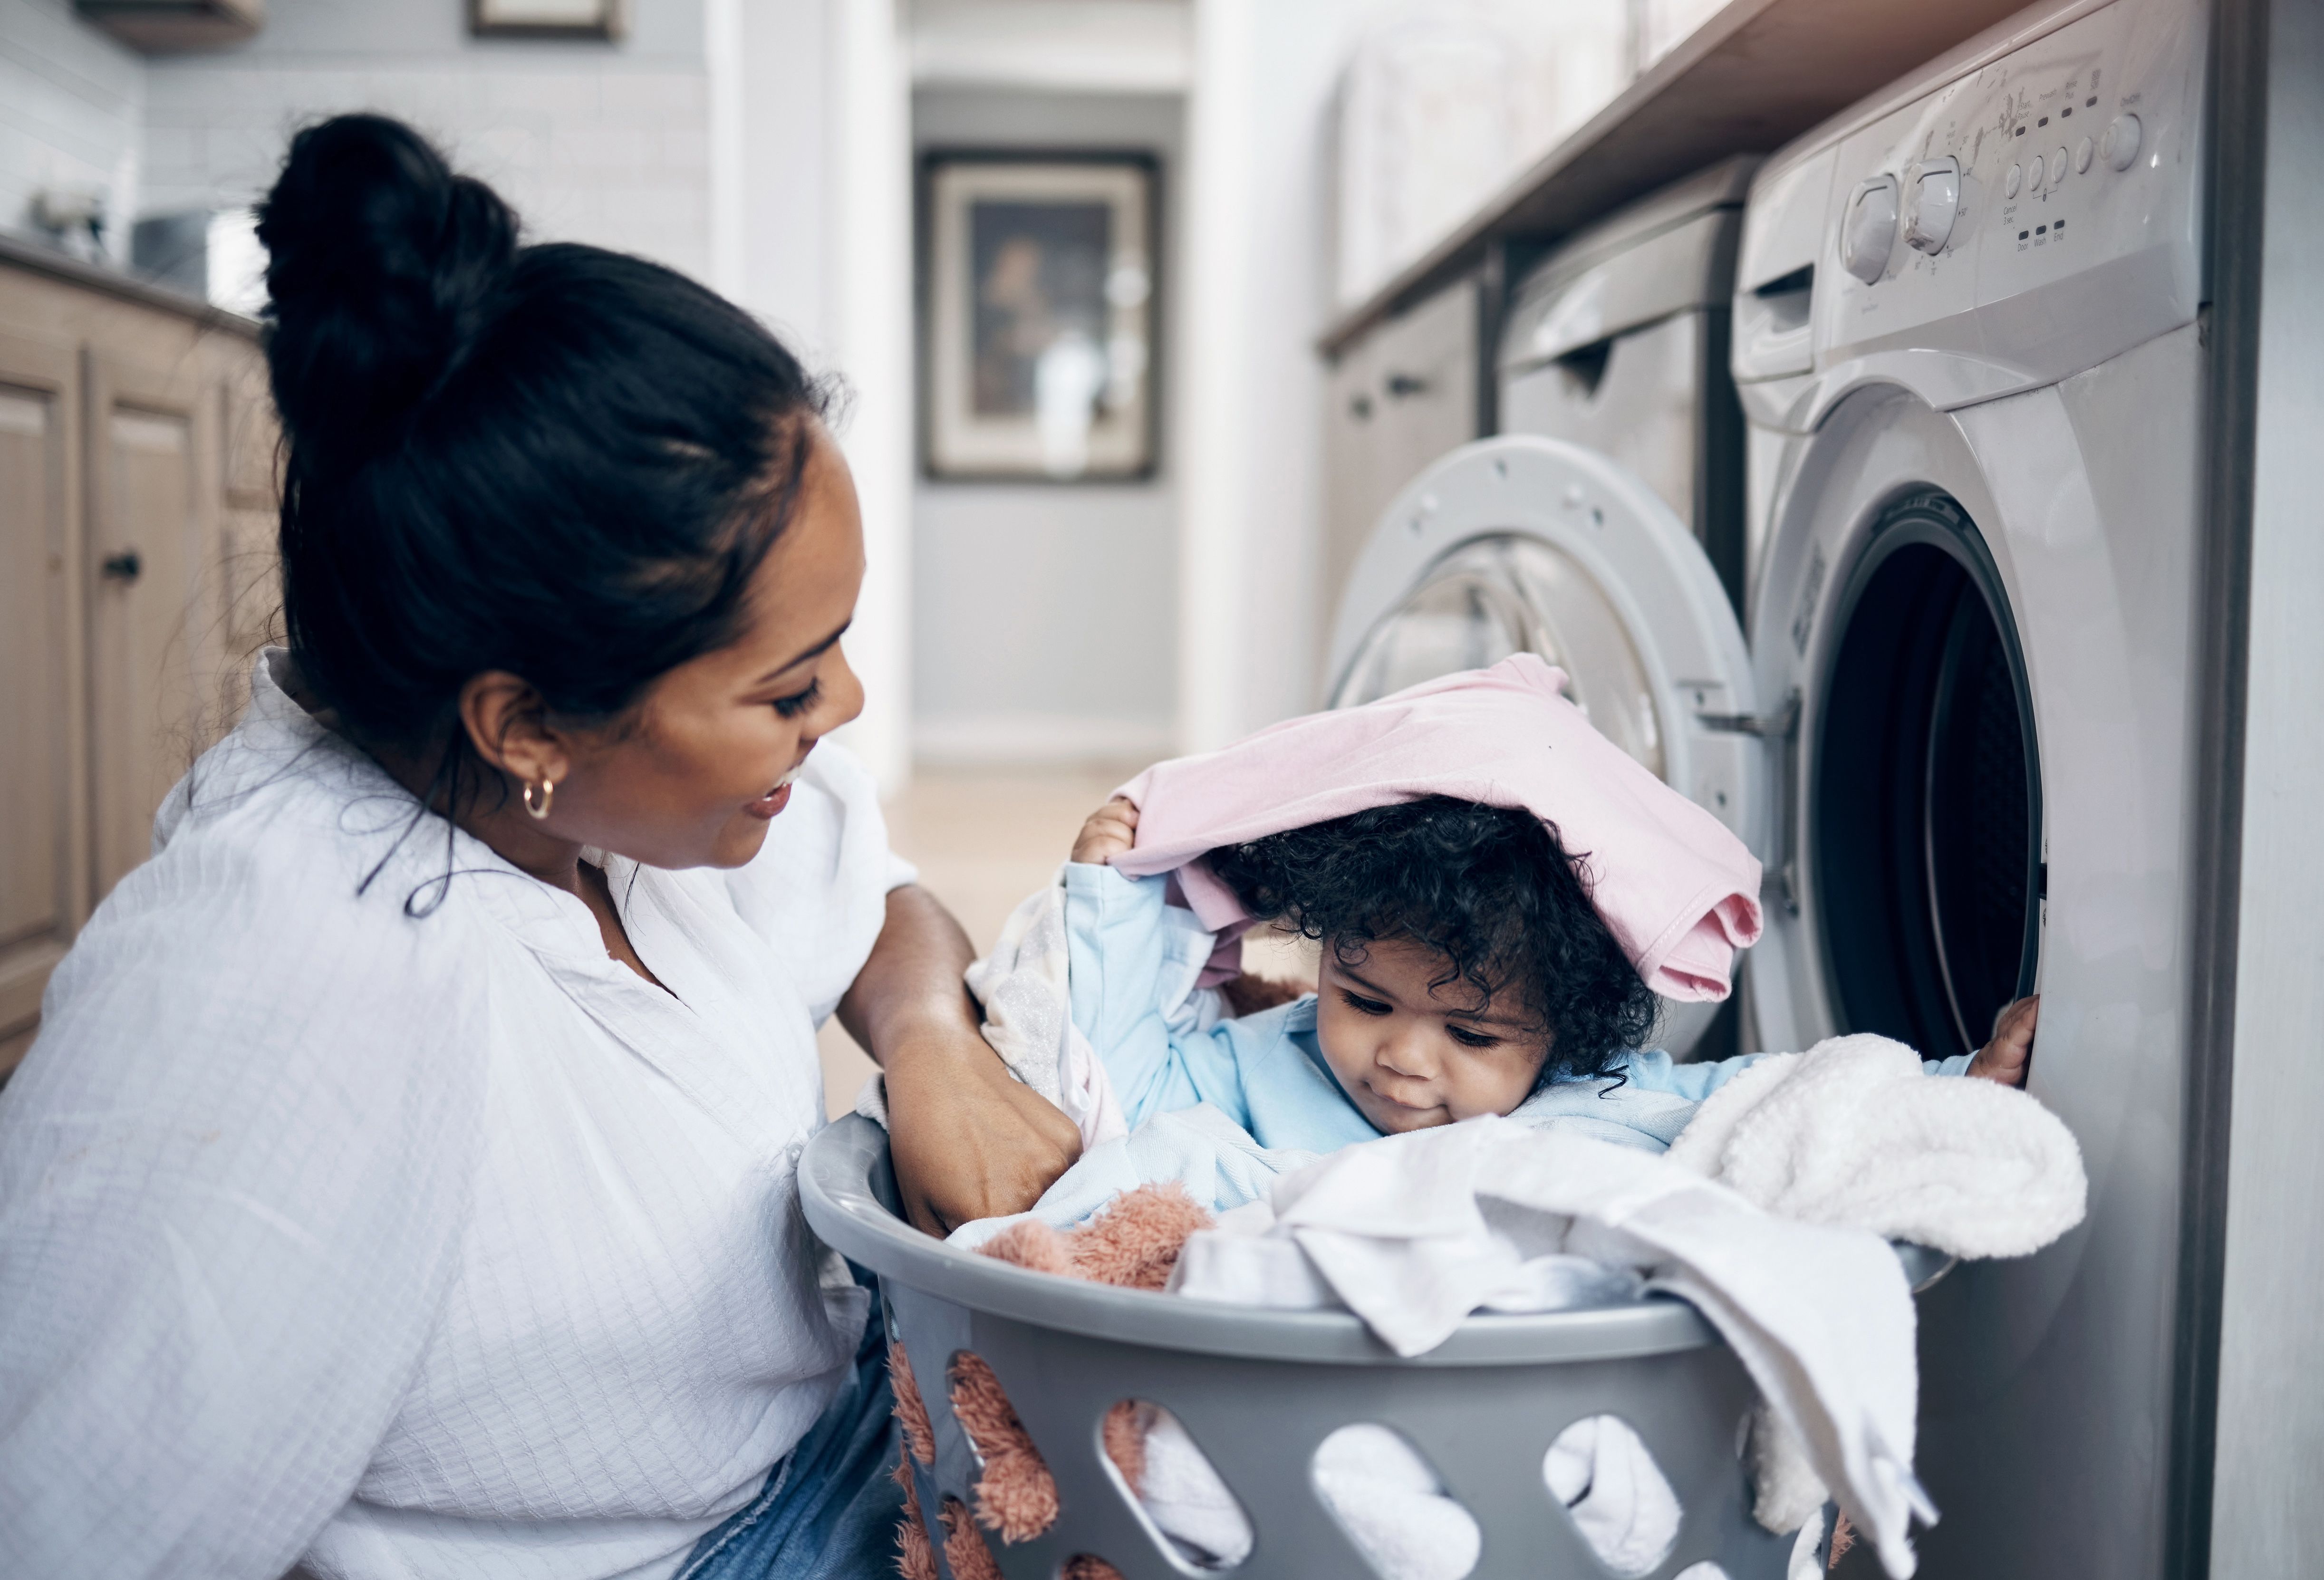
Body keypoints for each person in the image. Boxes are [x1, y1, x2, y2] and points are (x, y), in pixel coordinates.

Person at [0, 115, 1076, 1580]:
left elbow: (877, 901)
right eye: (787, 684)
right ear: (525, 722)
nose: (848, 706)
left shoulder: (623, 809)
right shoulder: (283, 995)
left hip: (843, 1432)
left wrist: (932, 1040)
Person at [1066, 793, 2039, 1154]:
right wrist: (1115, 898)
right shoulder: (1257, 1069)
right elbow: (1120, 1088)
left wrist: (1957, 1085)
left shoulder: (1600, 1107)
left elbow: (1783, 1107)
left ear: (1561, 1034)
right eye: (1364, 1000)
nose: (1403, 1054)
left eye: (1473, 1034)